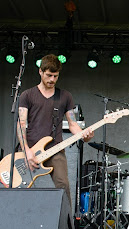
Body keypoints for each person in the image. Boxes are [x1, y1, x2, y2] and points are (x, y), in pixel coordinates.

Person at [18, 54, 94, 204]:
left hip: (55, 149)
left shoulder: (65, 96)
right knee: (22, 188)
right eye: (49, 75)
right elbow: (21, 124)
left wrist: (83, 135)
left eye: (55, 76)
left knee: (63, 186)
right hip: (31, 149)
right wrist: (26, 149)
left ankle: (66, 227)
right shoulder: (27, 95)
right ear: (40, 72)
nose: (52, 79)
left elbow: (72, 124)